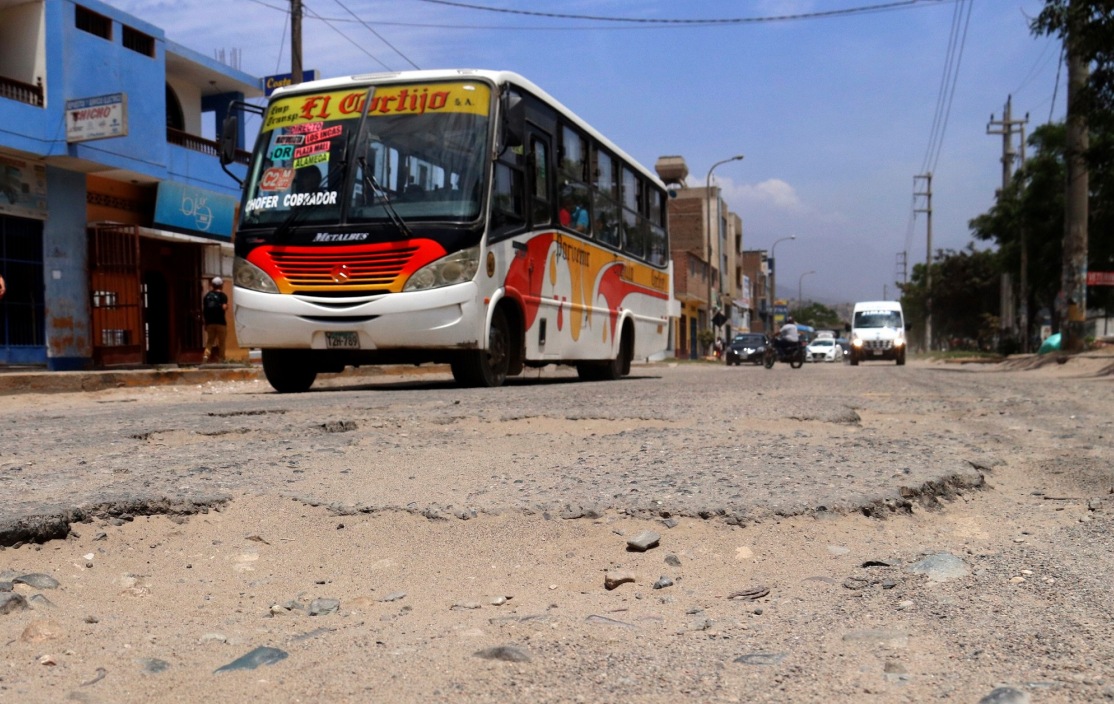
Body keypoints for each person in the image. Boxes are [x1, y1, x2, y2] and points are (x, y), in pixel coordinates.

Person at [201, 276, 228, 364]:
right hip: (221, 322)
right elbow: (224, 307)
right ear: (221, 285)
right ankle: (221, 359)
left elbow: (204, 310)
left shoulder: (207, 296)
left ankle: (205, 358)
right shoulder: (223, 295)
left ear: (212, 285)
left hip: (210, 323)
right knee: (222, 342)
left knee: (210, 341)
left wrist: (206, 323)